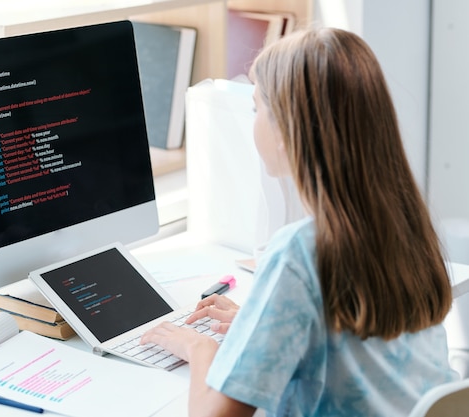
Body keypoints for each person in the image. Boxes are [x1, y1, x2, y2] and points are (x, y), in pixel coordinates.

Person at [141, 27, 459, 417]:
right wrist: (262, 327)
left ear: (287, 129)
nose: (254, 123)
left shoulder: (301, 250)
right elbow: (350, 340)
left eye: (257, 109)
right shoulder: (406, 224)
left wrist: (197, 346)